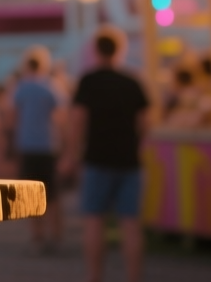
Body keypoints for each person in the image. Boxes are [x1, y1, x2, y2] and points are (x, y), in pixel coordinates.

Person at [63, 30, 149, 282]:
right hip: (129, 161)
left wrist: (71, 155)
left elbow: (78, 122)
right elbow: (145, 123)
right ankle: (133, 277)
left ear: (96, 51)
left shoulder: (88, 81)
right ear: (120, 50)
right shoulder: (132, 82)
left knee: (93, 221)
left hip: (96, 159)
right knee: (130, 224)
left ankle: (94, 276)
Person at [9, 48, 61, 252]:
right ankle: (54, 233)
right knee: (53, 193)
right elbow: (60, 117)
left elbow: (12, 117)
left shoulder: (20, 88)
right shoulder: (51, 87)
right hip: (48, 145)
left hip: (27, 145)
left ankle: (36, 234)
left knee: (30, 194)